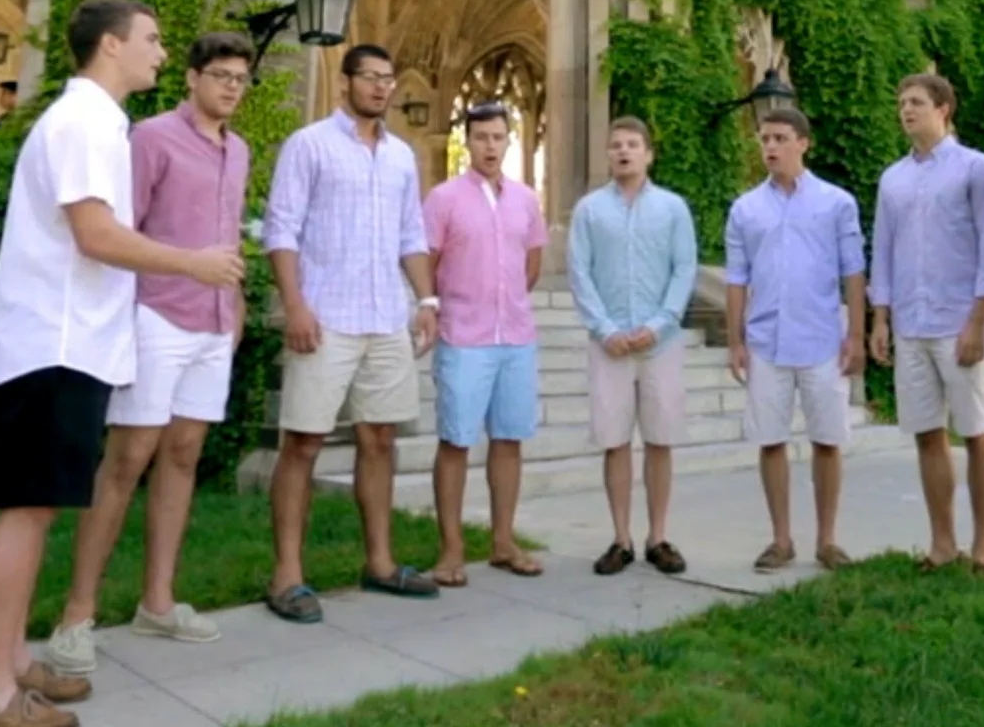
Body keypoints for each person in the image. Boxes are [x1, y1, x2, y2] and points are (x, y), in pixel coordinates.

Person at [0, 0, 243, 727]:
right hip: (51, 342)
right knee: (27, 510)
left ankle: (11, 661)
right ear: (111, 45)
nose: (159, 50)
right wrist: (194, 263)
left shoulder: (99, 122)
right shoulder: (85, 121)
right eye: (151, 38)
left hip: (70, 343)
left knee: (38, 508)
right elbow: (95, 233)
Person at [42, 33, 255, 679]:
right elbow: (121, 231)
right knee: (128, 457)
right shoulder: (152, 138)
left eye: (241, 79)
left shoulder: (240, 150)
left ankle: (157, 602)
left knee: (184, 453)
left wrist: (237, 304)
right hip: (158, 314)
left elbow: (227, 235)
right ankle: (76, 616)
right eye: (219, 75)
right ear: (190, 78)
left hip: (215, 322)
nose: (230, 87)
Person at [260, 43, 441, 624]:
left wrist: (427, 299)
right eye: (371, 77)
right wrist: (295, 305)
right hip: (326, 316)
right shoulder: (308, 145)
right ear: (346, 83)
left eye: (389, 78)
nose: (383, 87)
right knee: (303, 443)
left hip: (386, 316)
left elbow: (411, 234)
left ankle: (381, 562)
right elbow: (281, 228)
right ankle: (287, 574)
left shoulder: (401, 157)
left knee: (381, 440)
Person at [867, 74, 984, 572]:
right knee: (928, 433)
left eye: (917, 103)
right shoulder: (893, 179)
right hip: (910, 322)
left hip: (961, 321)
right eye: (901, 102)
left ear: (944, 109)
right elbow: (882, 249)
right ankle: (943, 542)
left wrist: (979, 319)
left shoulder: (977, 169)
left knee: (977, 431)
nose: (906, 110)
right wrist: (880, 317)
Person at [725, 106, 866, 573]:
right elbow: (736, 278)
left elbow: (853, 272)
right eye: (764, 138)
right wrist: (735, 339)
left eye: (780, 138)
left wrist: (857, 336)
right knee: (771, 440)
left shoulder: (836, 203)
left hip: (823, 338)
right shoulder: (746, 209)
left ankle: (827, 540)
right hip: (766, 340)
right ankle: (780, 539)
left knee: (827, 439)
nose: (770, 147)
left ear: (803, 143)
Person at [421, 100, 549, 585]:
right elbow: (425, 262)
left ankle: (503, 540)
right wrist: (436, 307)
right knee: (455, 440)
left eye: (498, 137)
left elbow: (531, 266)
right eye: (481, 137)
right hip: (464, 336)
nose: (490, 146)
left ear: (508, 141)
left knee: (509, 439)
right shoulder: (444, 199)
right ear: (467, 141)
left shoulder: (524, 200)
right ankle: (451, 549)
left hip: (515, 337)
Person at [567, 116, 699, 577]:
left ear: (648, 153)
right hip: (610, 345)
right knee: (615, 441)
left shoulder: (672, 209)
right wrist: (605, 329)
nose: (623, 152)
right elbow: (579, 273)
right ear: (608, 155)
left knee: (660, 440)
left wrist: (661, 324)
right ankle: (621, 539)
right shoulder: (589, 211)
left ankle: (658, 536)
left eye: (632, 145)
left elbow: (684, 269)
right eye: (616, 145)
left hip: (659, 344)